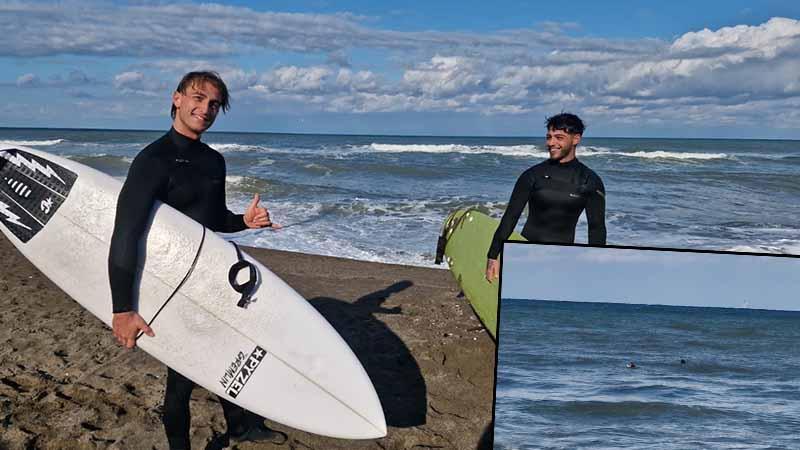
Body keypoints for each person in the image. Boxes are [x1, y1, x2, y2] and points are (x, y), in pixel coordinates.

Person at [107, 71, 285, 449]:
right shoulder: (152, 161)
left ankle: (239, 426)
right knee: (182, 378)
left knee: (222, 352)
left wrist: (244, 221)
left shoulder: (213, 161)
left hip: (206, 277)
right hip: (170, 282)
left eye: (214, 104)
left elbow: (213, 219)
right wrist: (123, 308)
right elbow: (125, 233)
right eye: (198, 98)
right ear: (177, 99)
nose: (205, 109)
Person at [485, 113, 606, 281]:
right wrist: (493, 255)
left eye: (559, 137)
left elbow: (596, 228)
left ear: (576, 139)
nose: (551, 143)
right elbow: (510, 217)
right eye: (549, 137)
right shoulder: (533, 175)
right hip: (525, 254)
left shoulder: (590, 180)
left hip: (563, 258)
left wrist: (596, 267)